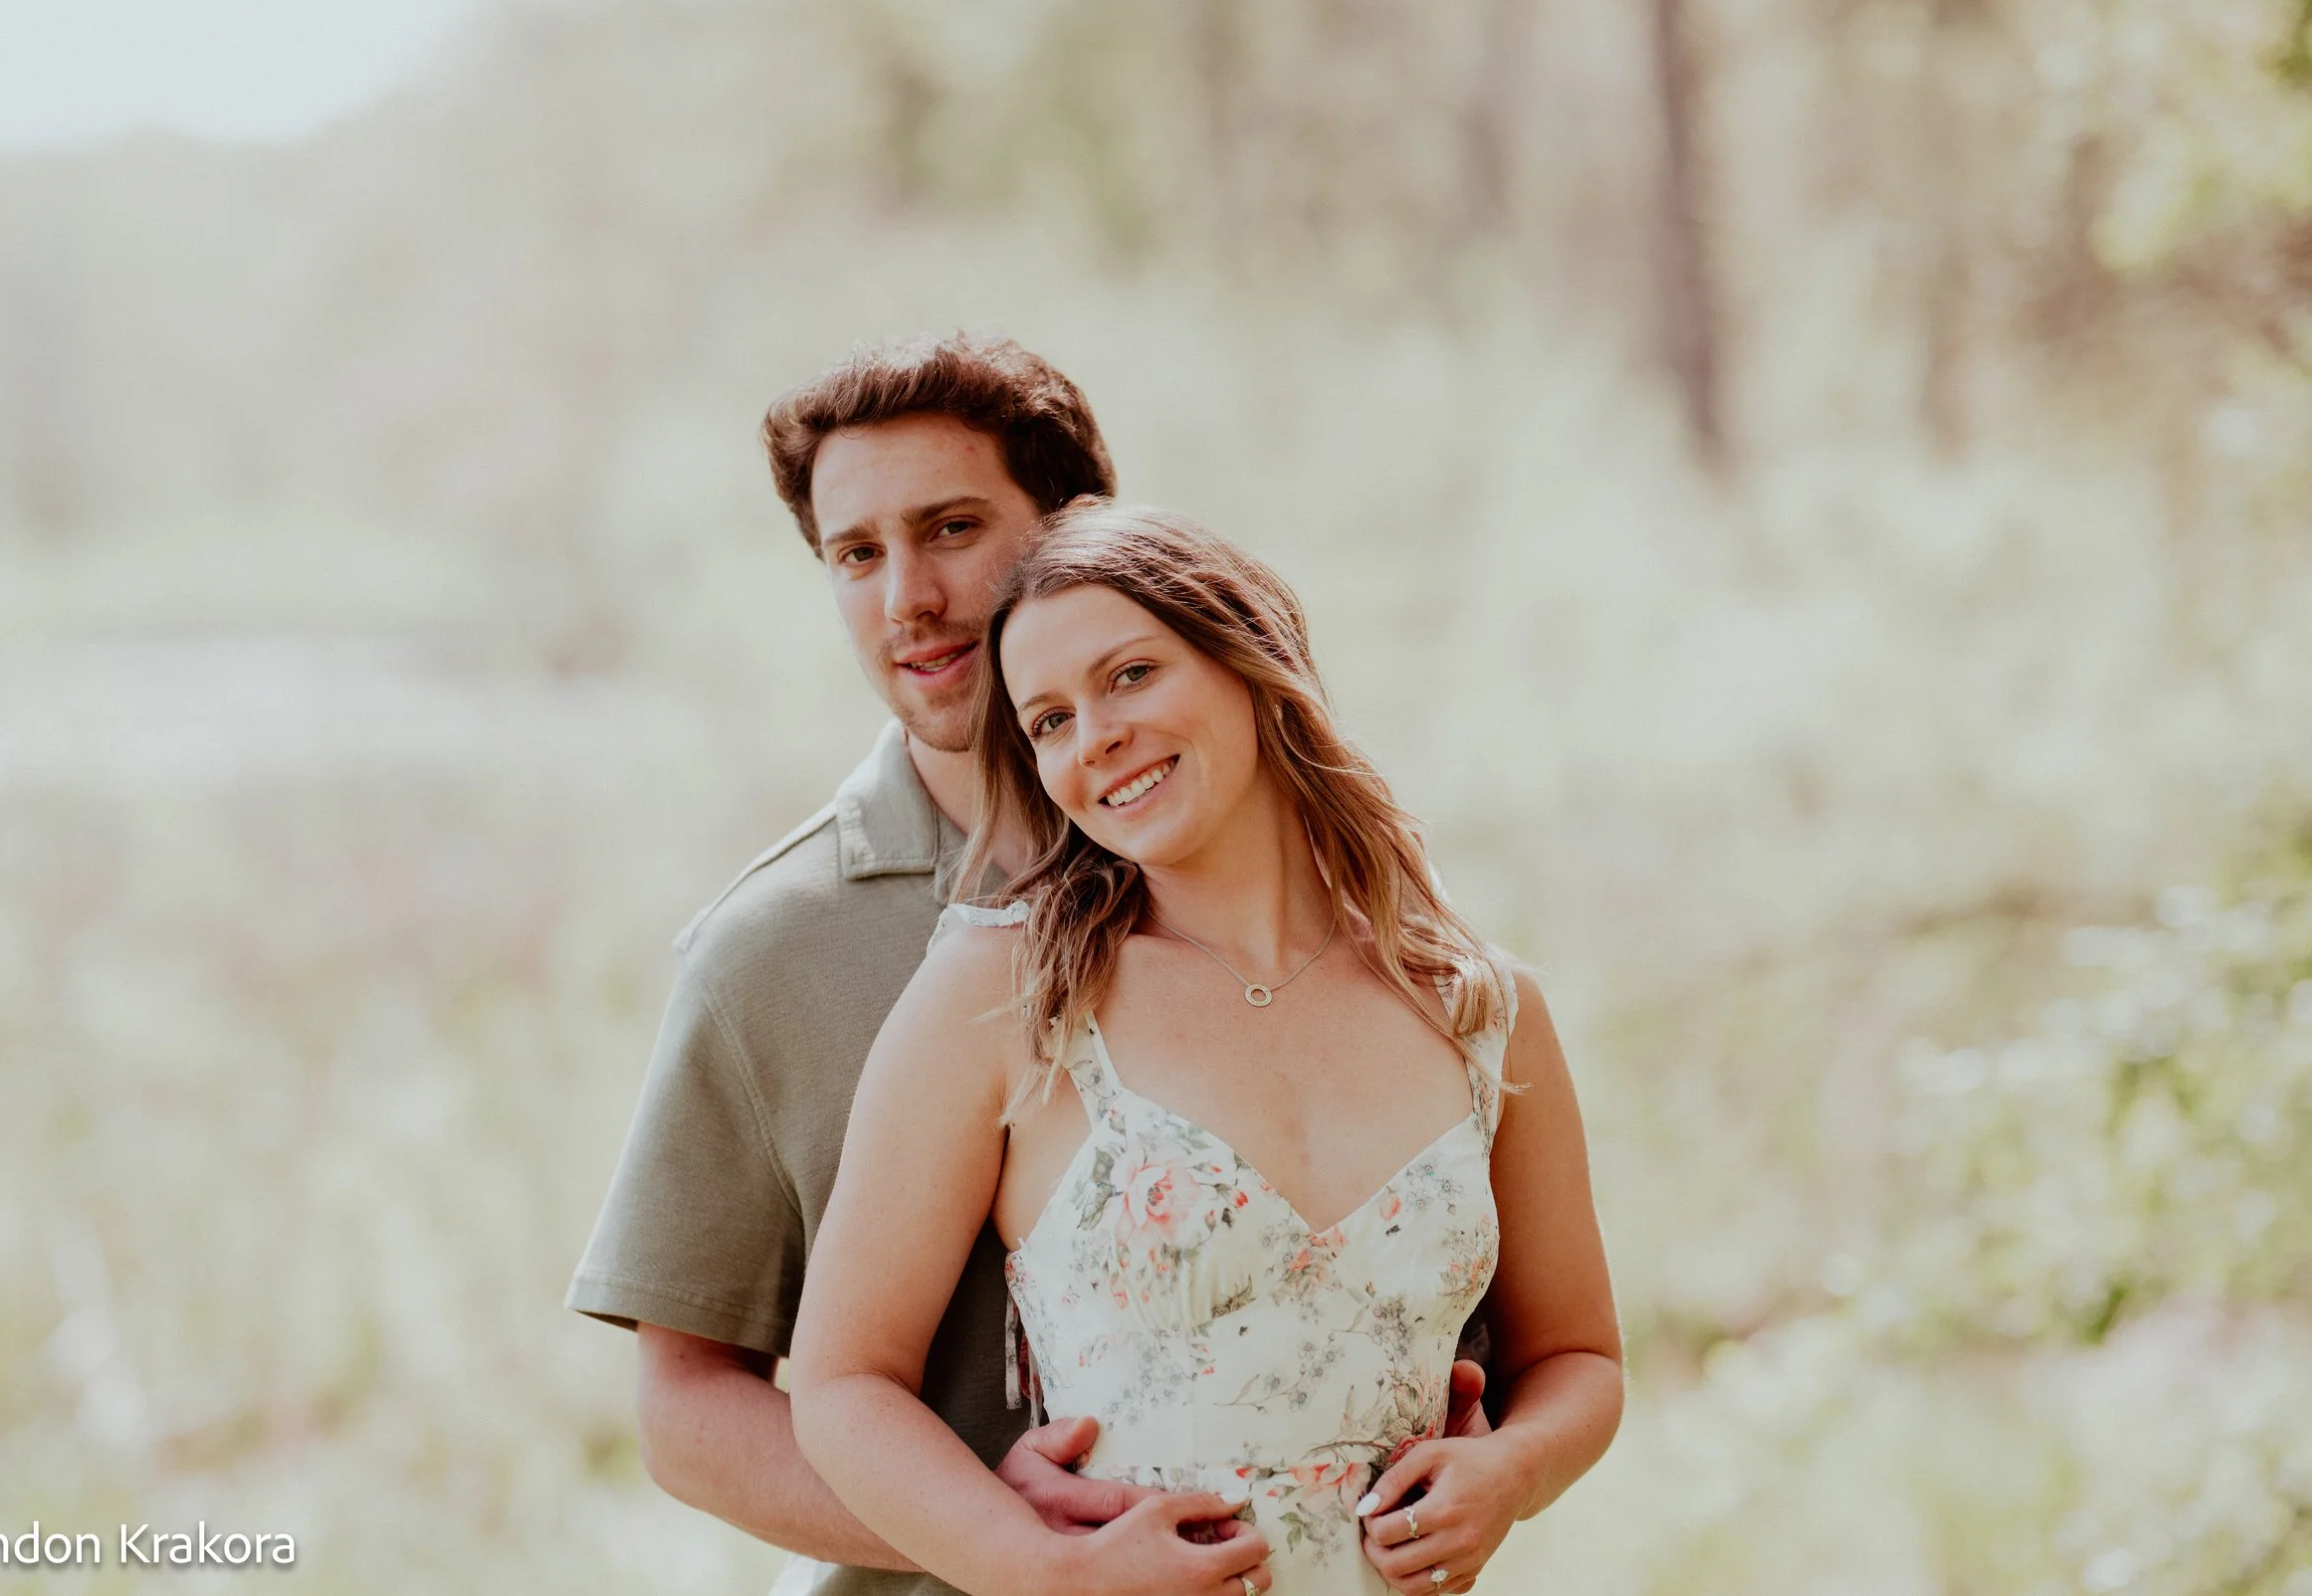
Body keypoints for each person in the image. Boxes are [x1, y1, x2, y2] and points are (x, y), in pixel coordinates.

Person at [790, 506, 1623, 1596]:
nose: (1093, 737)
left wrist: (1512, 1465)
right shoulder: (1007, 995)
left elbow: (1579, 1356)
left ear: (1252, 660)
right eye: (1048, 720)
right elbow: (842, 1381)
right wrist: (1047, 1567)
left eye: (1129, 675)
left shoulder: (1478, 1003)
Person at [565, 332, 1148, 1596]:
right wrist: (994, 1532)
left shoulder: (1246, 879)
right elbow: (684, 1407)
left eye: (949, 529)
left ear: (1077, 531)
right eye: (856, 554)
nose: (906, 600)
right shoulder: (769, 947)